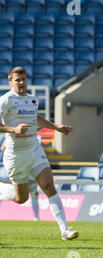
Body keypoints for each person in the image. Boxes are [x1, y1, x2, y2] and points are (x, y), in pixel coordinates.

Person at [0, 67, 78, 240]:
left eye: (23, 79)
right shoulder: (5, 101)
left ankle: (65, 230)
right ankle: (2, 188)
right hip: (15, 156)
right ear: (10, 82)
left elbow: (36, 118)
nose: (21, 83)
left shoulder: (32, 100)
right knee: (22, 198)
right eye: (17, 80)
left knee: (49, 187)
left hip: (34, 151)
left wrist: (57, 127)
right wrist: (13, 129)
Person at [0, 139, 40, 221]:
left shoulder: (33, 138)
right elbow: (3, 148)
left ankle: (36, 217)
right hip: (16, 167)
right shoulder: (11, 136)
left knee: (34, 193)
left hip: (28, 168)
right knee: (8, 193)